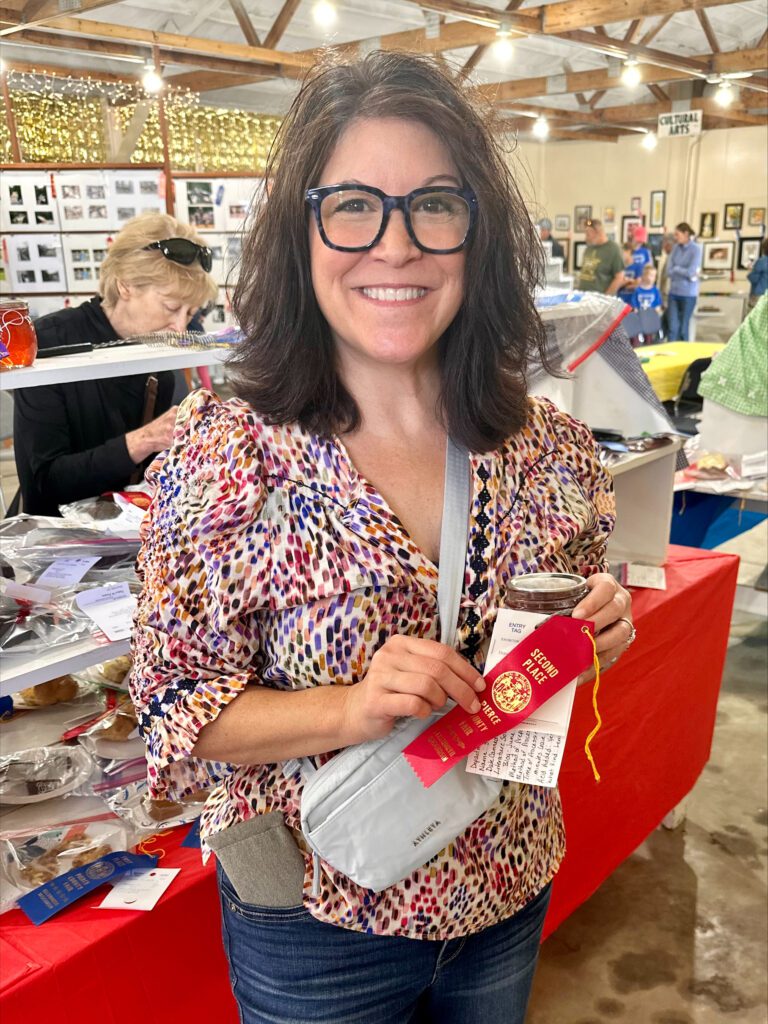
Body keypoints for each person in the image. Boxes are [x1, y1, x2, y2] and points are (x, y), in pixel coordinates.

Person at [129, 52, 634, 1024]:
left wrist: (593, 631)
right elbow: (178, 718)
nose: (394, 245)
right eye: (353, 204)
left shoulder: (552, 450)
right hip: (314, 918)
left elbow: (547, 651)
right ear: (301, 231)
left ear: (477, 234)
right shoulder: (229, 455)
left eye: (434, 204)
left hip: (504, 877)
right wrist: (353, 705)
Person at [12, 213, 217, 516]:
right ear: (125, 287)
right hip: (57, 538)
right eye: (171, 307)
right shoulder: (48, 344)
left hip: (133, 531)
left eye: (190, 313)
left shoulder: (158, 353)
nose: (179, 326)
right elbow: (45, 484)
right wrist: (143, 440)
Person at [666, 222, 701, 341]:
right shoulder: (675, 248)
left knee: (683, 328)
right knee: (673, 328)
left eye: (677, 234)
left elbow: (691, 272)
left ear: (686, 234)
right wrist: (682, 271)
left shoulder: (696, 249)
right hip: (673, 293)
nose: (675, 238)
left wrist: (676, 268)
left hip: (688, 295)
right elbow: (668, 271)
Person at [576, 218, 624, 294]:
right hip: (584, 298)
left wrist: (606, 297)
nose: (586, 238)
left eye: (588, 234)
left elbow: (619, 277)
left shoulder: (613, 249)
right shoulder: (589, 248)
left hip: (600, 301)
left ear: (598, 232)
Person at [629, 264, 663, 344]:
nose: (651, 278)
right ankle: (636, 343)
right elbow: (634, 304)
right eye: (650, 275)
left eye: (653, 276)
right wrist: (635, 309)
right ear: (643, 276)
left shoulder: (655, 291)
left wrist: (657, 309)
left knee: (649, 333)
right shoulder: (637, 290)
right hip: (640, 317)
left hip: (650, 318)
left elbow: (657, 305)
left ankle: (649, 343)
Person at [657, 232, 675, 337]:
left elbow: (667, 281)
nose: (662, 246)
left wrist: (664, 300)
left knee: (670, 325)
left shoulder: (672, 258)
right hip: (665, 296)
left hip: (668, 297)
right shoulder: (668, 257)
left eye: (663, 243)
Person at [746, 237, 768, 309]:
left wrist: (750, 271)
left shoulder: (762, 261)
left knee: (755, 318)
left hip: (760, 295)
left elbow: (754, 279)